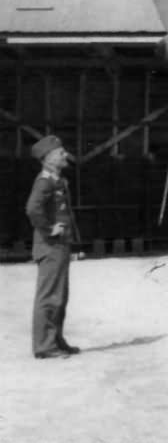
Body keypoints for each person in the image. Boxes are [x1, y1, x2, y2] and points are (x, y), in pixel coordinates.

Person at [26, 135, 81, 359]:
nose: (64, 154)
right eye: (60, 153)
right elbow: (32, 209)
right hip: (50, 246)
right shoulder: (45, 181)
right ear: (48, 159)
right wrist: (49, 229)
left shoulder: (56, 179)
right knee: (49, 297)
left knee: (60, 296)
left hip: (59, 246)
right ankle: (45, 346)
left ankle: (56, 340)